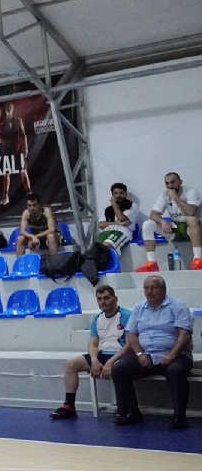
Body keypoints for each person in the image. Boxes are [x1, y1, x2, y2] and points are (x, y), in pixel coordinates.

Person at [109, 275, 194, 429]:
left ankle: (179, 417)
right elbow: (131, 334)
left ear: (164, 289)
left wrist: (171, 355)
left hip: (176, 355)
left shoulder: (177, 306)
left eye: (154, 288)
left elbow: (185, 334)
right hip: (147, 354)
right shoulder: (139, 308)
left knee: (176, 371)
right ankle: (130, 412)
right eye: (146, 288)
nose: (149, 291)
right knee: (119, 369)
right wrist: (139, 354)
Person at [50, 285, 131, 420]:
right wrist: (94, 360)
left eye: (106, 298)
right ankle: (69, 406)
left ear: (115, 299)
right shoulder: (97, 318)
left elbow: (130, 344)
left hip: (121, 355)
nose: (103, 302)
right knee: (71, 363)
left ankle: (124, 408)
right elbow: (93, 343)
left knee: (119, 368)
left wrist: (111, 362)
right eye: (99, 299)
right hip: (103, 354)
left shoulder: (127, 315)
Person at [136, 172, 202, 271]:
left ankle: (198, 260)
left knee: (191, 219)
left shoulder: (191, 192)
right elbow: (153, 214)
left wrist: (175, 197)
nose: (170, 186)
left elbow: (191, 212)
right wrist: (162, 222)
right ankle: (151, 263)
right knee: (148, 224)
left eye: (173, 182)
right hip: (176, 227)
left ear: (180, 182)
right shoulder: (164, 194)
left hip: (193, 228)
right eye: (167, 183)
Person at [0, 102, 31, 207]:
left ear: (13, 109)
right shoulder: (2, 124)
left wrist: (26, 148)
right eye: (7, 107)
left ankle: (29, 193)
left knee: (23, 171)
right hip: (7, 150)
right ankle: (5, 196)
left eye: (10, 106)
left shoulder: (18, 121)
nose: (8, 108)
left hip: (17, 149)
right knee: (6, 173)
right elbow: (1, 140)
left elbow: (23, 135)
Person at [96, 182, 144, 251]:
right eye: (116, 193)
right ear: (112, 195)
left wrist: (113, 203)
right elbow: (100, 224)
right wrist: (117, 223)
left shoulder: (132, 206)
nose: (118, 195)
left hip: (122, 231)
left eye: (121, 193)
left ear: (125, 194)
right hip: (106, 231)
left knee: (106, 246)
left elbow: (121, 218)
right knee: (95, 248)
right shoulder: (108, 209)